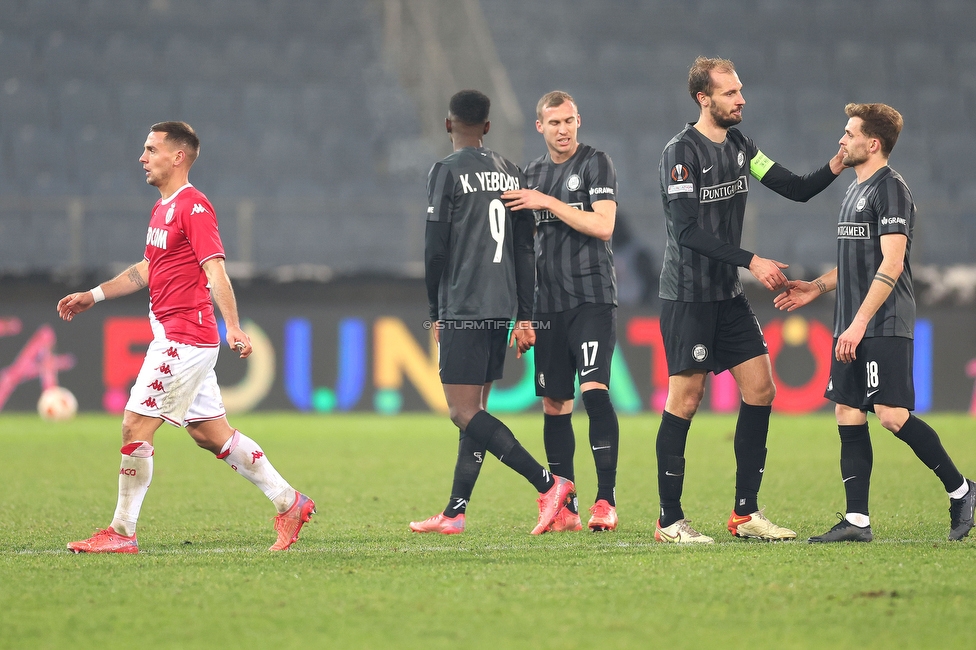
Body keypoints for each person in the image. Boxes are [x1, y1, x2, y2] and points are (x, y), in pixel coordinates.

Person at [57, 122, 314, 553]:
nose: (142, 157)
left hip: (184, 338)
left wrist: (232, 326)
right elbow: (146, 269)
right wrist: (94, 295)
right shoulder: (162, 209)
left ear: (178, 156)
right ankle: (290, 503)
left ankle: (121, 533)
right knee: (211, 434)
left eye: (151, 149)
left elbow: (216, 271)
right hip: (177, 334)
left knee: (135, 424)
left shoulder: (194, 207)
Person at [654, 56, 846, 544]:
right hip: (689, 296)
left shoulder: (741, 146)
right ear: (704, 98)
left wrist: (838, 164)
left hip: (727, 295)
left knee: (761, 389)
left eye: (740, 90)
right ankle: (670, 521)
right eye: (731, 93)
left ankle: (745, 514)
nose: (742, 99)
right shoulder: (682, 152)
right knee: (687, 398)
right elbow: (686, 231)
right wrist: (752, 260)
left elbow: (795, 188)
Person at [774, 103, 975, 543]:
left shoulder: (891, 191)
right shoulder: (853, 189)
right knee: (847, 410)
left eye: (849, 133)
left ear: (873, 143)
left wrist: (859, 323)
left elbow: (892, 262)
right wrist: (817, 288)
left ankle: (962, 490)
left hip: (883, 322)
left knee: (890, 414)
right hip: (852, 320)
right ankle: (857, 521)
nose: (842, 140)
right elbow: (857, 263)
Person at [409, 90, 574, 536]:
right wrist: (523, 314)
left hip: (464, 304)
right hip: (499, 308)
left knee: (462, 413)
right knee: (476, 412)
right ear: (486, 127)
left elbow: (434, 247)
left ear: (448, 125)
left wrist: (434, 309)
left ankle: (549, 484)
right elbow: (525, 249)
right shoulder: (510, 172)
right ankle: (455, 512)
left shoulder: (445, 171)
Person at [502, 91, 621, 533]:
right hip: (547, 305)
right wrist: (523, 316)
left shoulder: (595, 163)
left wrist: (548, 202)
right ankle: (564, 504)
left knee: (594, 391)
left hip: (591, 299)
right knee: (555, 403)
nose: (564, 129)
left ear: (579, 120)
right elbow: (521, 251)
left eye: (570, 120)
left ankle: (605, 501)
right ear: (540, 127)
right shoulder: (529, 174)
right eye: (555, 123)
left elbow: (603, 224)